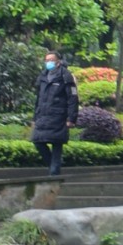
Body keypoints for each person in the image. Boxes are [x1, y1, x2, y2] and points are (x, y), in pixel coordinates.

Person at [31, 48, 79, 177]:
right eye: (47, 60)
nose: (49, 63)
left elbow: (73, 99)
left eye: (51, 60)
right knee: (37, 142)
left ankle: (54, 173)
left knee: (57, 145)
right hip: (42, 117)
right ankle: (54, 165)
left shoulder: (66, 76)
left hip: (59, 117)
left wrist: (71, 118)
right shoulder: (42, 76)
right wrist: (35, 118)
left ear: (58, 62)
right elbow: (38, 99)